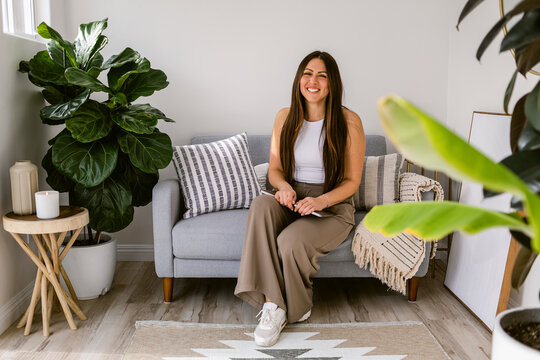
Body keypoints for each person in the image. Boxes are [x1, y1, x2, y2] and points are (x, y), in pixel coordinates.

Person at [234, 50, 366, 347]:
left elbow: (352, 182)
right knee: (261, 205)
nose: (313, 81)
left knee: (289, 242)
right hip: (292, 198)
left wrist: (321, 201)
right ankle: (273, 305)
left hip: (331, 206)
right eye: (308, 73)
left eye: (322, 75)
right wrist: (283, 187)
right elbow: (276, 170)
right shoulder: (285, 117)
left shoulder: (349, 121)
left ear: (332, 83)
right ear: (299, 80)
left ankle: (298, 307)